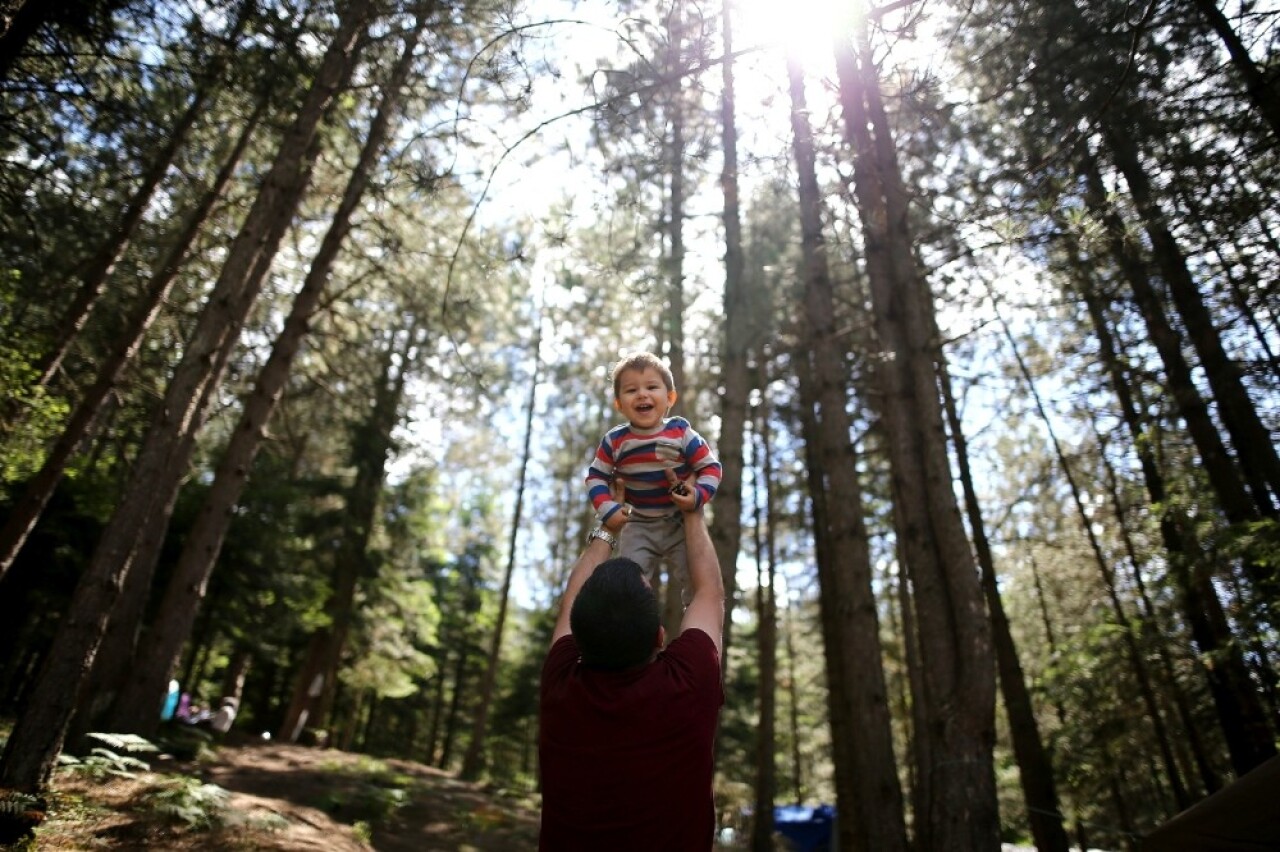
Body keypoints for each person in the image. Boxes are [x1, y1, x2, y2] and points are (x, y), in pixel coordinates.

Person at [538, 473, 725, 851]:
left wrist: (607, 529)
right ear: (661, 637)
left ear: (577, 638)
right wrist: (691, 511)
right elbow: (709, 593)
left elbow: (569, 604)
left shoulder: (561, 685)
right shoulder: (686, 683)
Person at [585, 351, 722, 604]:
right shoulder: (615, 441)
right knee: (630, 585)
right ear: (619, 403)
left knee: (696, 580)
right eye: (631, 390)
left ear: (669, 397)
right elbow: (595, 477)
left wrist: (698, 496)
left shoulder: (681, 432)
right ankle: (640, 632)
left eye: (651, 387)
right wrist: (608, 509)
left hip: (678, 521)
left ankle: (692, 629)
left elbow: (710, 467)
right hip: (638, 524)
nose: (642, 394)